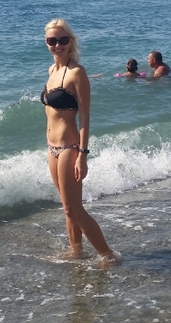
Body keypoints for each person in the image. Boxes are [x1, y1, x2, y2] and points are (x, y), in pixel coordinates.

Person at [40, 18, 121, 266]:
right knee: (67, 207)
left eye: (63, 40)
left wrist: (82, 155)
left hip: (69, 148)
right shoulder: (51, 71)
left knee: (74, 210)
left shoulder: (77, 73)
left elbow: (85, 117)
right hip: (52, 148)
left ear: (71, 42)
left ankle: (108, 255)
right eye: (52, 40)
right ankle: (76, 250)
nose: (58, 45)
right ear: (46, 43)